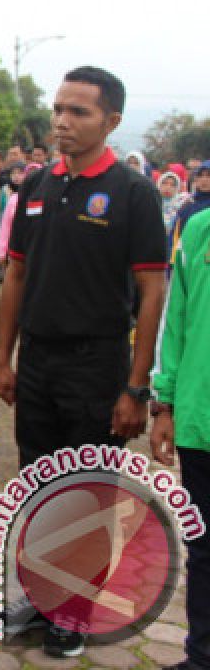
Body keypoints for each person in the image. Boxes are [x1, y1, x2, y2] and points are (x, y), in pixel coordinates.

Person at [0, 66, 167, 658]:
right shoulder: (35, 186)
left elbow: (152, 293)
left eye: (79, 112)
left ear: (110, 121)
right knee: (39, 487)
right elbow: (14, 275)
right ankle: (40, 600)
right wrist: (3, 359)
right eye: (58, 110)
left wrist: (136, 386)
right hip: (37, 362)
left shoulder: (134, 194)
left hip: (97, 365)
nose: (63, 122)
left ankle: (75, 613)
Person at [150, 207, 210, 670]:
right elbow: (177, 319)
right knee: (204, 549)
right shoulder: (198, 228)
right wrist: (165, 402)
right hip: (200, 417)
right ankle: (200, 656)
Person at [170, 165, 210, 260]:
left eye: (209, 176)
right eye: (200, 176)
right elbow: (176, 235)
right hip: (188, 258)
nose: (204, 180)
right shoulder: (187, 205)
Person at [158, 169, 191, 237]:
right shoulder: (153, 202)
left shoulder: (181, 203)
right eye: (164, 183)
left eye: (172, 185)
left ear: (177, 188)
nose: (168, 187)